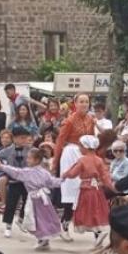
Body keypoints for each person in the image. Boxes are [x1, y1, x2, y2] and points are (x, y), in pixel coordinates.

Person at [0, 149, 63, 251]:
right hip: (44, 199)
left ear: (36, 160)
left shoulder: (28, 172)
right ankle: (43, 239)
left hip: (36, 200)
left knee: (37, 220)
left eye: (29, 158)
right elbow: (52, 182)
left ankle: (43, 239)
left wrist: (2, 166)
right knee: (44, 219)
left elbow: (15, 172)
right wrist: (63, 180)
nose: (27, 160)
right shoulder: (44, 172)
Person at [54, 94, 99, 236]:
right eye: (81, 101)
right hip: (71, 153)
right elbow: (60, 141)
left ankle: (94, 226)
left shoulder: (91, 119)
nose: (84, 104)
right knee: (71, 188)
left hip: (85, 154)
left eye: (86, 101)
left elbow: (92, 140)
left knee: (89, 187)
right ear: (75, 103)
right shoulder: (69, 121)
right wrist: (55, 161)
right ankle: (65, 221)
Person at [62, 135, 115, 246]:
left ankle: (98, 233)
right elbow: (105, 176)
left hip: (86, 190)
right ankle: (98, 234)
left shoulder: (82, 160)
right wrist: (112, 187)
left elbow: (72, 174)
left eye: (80, 146)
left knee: (85, 211)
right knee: (97, 210)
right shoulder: (99, 160)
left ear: (85, 147)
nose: (79, 148)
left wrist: (65, 174)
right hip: (97, 190)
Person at [0, 127, 34, 238]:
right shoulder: (6, 151)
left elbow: (39, 158)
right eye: (22, 138)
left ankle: (21, 219)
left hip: (27, 181)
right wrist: (2, 167)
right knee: (11, 203)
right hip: (13, 181)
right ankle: (8, 226)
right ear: (15, 139)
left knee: (27, 202)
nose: (25, 140)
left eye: (26, 138)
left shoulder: (31, 150)